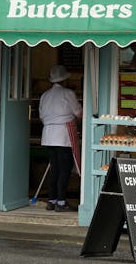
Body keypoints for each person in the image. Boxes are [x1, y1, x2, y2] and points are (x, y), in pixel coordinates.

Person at [39, 65, 82, 212]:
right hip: (63, 134)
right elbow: (78, 112)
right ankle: (61, 202)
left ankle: (52, 200)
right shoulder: (68, 93)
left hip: (48, 134)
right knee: (64, 169)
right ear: (64, 80)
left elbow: (41, 116)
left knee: (54, 168)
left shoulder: (45, 95)